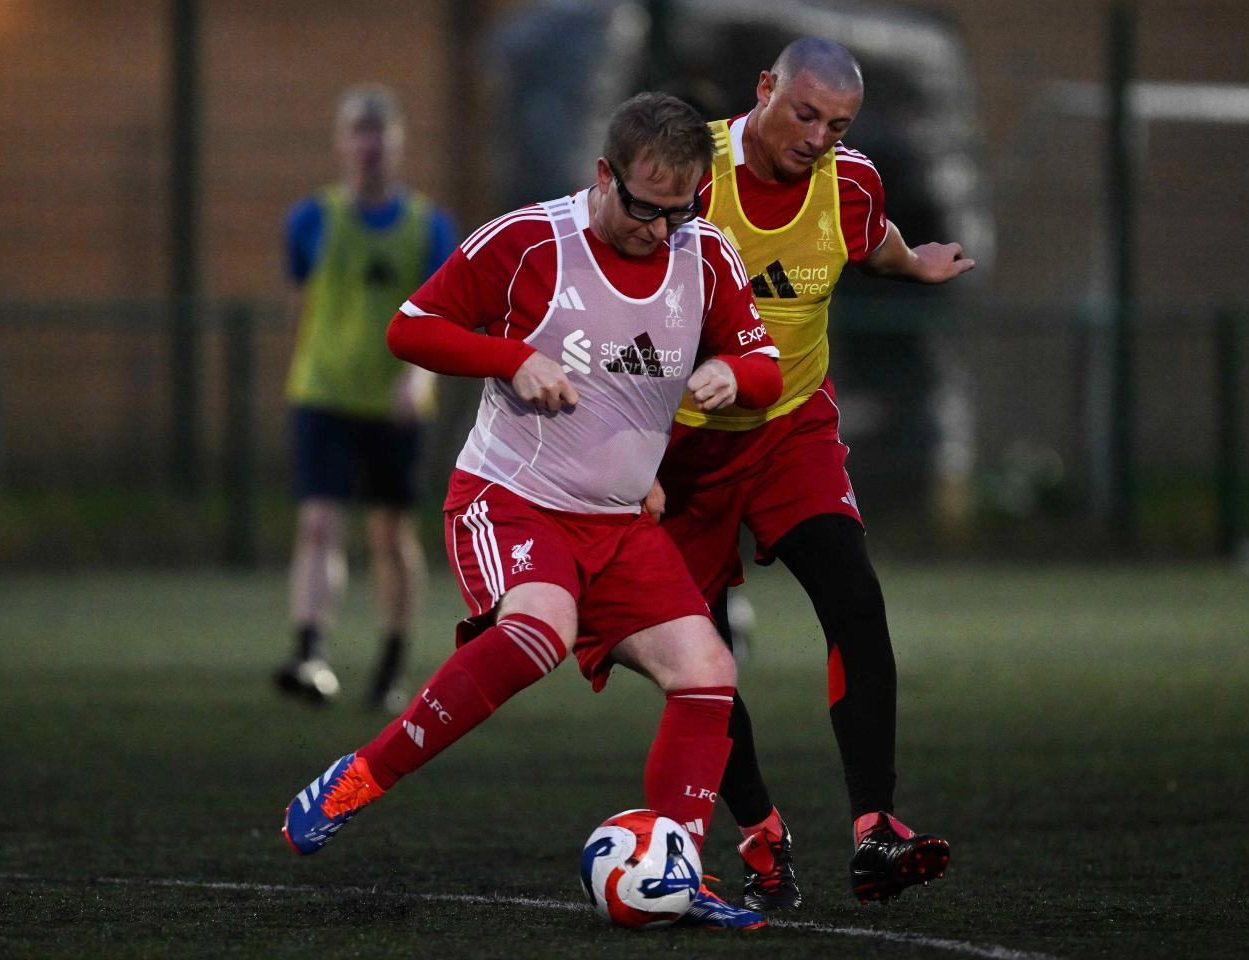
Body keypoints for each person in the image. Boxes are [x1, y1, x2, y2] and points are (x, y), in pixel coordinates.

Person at [281, 92, 782, 930]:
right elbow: (411, 328)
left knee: (709, 672)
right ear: (604, 176)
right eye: (643, 207)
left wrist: (734, 376)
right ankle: (361, 776)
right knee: (539, 630)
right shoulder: (529, 240)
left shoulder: (706, 255)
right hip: (511, 499)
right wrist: (512, 359)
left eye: (680, 210)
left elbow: (762, 365)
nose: (660, 229)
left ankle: (677, 866)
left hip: (622, 523)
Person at [652, 37, 977, 910]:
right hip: (680, 448)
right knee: (700, 661)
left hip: (791, 430)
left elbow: (870, 239)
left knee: (856, 602)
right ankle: (761, 833)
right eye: (804, 113)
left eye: (838, 123)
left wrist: (916, 263)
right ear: (763, 89)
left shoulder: (851, 181)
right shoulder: (691, 172)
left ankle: (876, 829)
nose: (818, 137)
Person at [274, 84, 460, 713]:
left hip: (393, 403)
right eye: (358, 130)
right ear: (341, 141)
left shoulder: (427, 227)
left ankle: (391, 661)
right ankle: (309, 651)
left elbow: (446, 318)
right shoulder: (310, 220)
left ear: (398, 143)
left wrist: (420, 376)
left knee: (389, 533)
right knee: (319, 521)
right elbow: (305, 302)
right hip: (323, 393)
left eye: (380, 132)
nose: (369, 145)